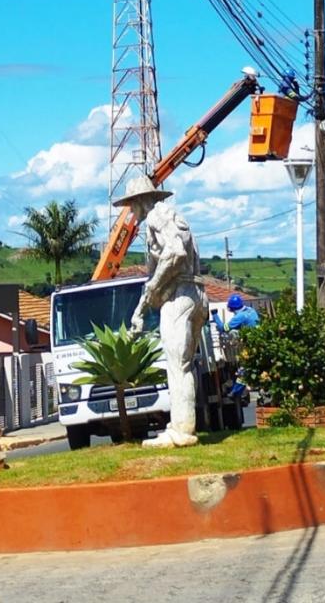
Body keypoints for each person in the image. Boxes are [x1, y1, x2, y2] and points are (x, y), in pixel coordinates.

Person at [122, 174, 208, 449]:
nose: (131, 213)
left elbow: (175, 252)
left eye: (131, 206)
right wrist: (143, 305)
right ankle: (181, 424)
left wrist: (155, 287)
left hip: (179, 297)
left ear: (139, 202)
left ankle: (182, 431)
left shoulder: (156, 217)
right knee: (184, 366)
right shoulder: (172, 215)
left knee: (177, 365)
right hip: (195, 295)